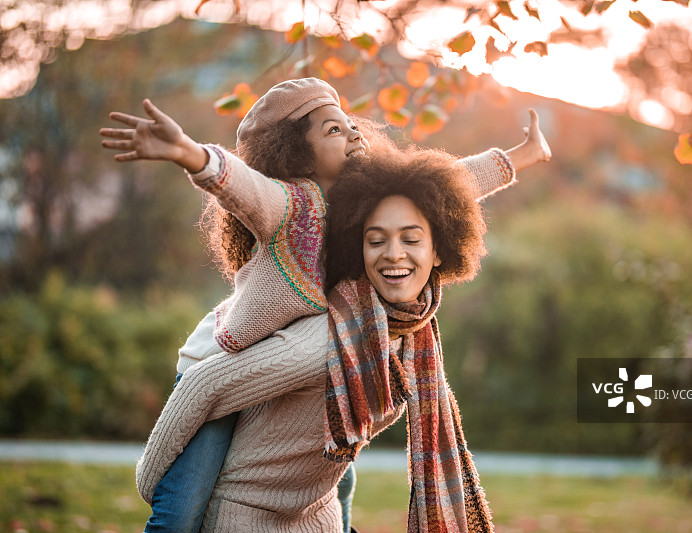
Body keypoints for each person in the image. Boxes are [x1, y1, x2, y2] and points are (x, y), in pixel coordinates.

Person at [100, 77, 550, 532]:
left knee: (338, 466)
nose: (353, 134)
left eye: (350, 125)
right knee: (181, 510)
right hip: (223, 361)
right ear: (295, 151)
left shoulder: (365, 209)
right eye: (333, 130)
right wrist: (189, 154)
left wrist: (525, 155)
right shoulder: (288, 208)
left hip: (310, 359)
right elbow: (240, 186)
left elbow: (450, 184)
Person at [136, 146, 494, 532]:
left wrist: (520, 156)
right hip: (244, 519)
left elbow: (461, 183)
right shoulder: (326, 339)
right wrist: (155, 487)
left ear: (439, 251)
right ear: (358, 249)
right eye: (376, 240)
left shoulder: (413, 331)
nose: (394, 254)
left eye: (411, 239)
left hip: (314, 518)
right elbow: (202, 383)